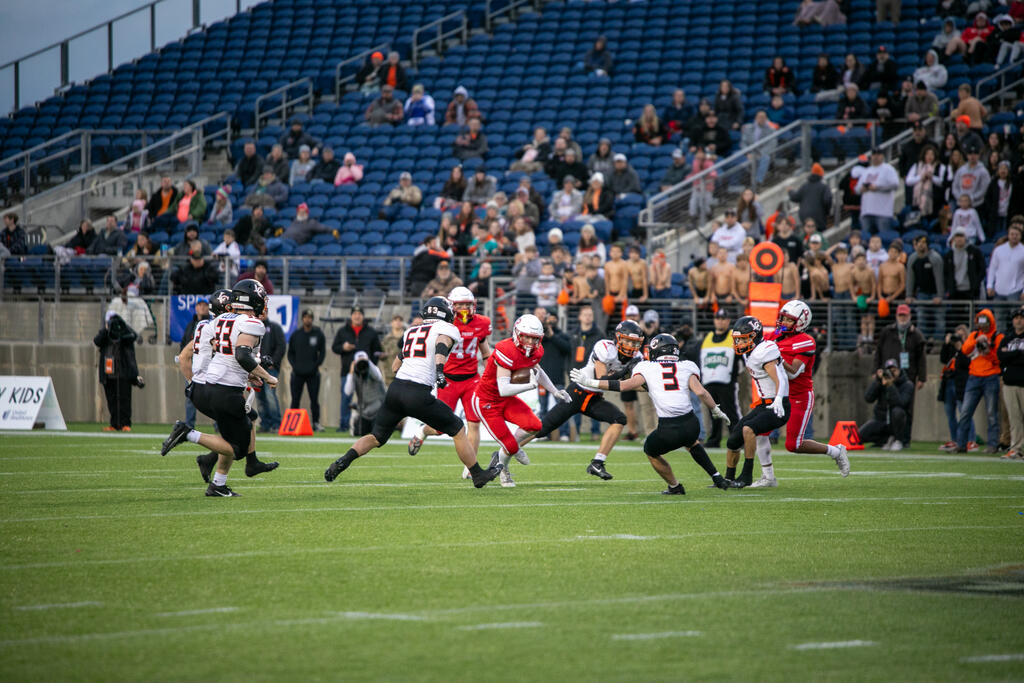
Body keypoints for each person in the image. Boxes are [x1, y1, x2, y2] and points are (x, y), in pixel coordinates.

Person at [323, 298, 501, 488]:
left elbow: (395, 366)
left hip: (396, 390)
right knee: (458, 428)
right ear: (445, 313)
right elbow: (442, 343)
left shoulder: (411, 331)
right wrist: (439, 370)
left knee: (376, 437)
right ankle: (477, 475)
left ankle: (343, 461)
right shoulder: (446, 329)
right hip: (417, 393)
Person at [571, 333, 733, 494]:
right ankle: (717, 477)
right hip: (691, 423)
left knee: (650, 450)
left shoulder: (647, 367)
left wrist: (590, 382)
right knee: (692, 443)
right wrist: (716, 410)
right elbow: (701, 392)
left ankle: (675, 486)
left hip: (669, 427)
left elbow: (625, 386)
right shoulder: (687, 366)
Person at [161, 279, 279, 496]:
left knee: (241, 426)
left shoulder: (218, 320)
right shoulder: (250, 323)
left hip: (207, 388)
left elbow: (225, 354)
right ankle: (188, 434)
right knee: (237, 448)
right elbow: (241, 355)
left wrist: (251, 374)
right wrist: (268, 376)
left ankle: (218, 483)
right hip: (223, 390)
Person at [485, 317, 629, 487]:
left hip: (594, 398)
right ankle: (503, 452)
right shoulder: (605, 348)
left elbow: (634, 384)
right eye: (628, 341)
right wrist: (624, 372)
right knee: (541, 428)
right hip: (578, 393)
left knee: (619, 419)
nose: (631, 346)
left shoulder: (637, 357)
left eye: (635, 343)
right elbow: (602, 378)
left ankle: (597, 463)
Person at [408, 286, 492, 454]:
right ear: (452, 306)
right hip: (448, 379)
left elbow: (485, 352)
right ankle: (423, 430)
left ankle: (470, 466)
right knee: (440, 428)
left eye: (468, 304)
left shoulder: (482, 323)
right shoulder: (444, 323)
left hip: (471, 379)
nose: (465, 308)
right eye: (460, 305)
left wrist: (490, 375)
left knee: (474, 423)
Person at [723, 316, 791, 487]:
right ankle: (728, 479)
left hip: (778, 405)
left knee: (749, 429)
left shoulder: (763, 352)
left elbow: (780, 380)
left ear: (754, 337)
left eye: (743, 339)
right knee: (733, 440)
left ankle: (746, 476)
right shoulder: (751, 352)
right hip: (763, 404)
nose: (739, 343)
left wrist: (778, 399)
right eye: (737, 339)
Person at [956, 309, 1005, 454]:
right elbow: (965, 350)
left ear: (991, 322)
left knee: (991, 413)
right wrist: (976, 341)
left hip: (991, 377)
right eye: (980, 321)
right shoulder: (974, 335)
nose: (982, 325)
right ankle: (961, 444)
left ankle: (993, 445)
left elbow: (1000, 359)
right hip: (974, 377)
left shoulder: (998, 337)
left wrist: (988, 351)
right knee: (965, 412)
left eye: (985, 321)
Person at [331, 306, 382, 434]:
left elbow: (377, 351)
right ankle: (344, 424)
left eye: (359, 313)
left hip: (367, 374)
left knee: (370, 399)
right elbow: (334, 347)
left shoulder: (371, 332)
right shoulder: (343, 331)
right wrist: (343, 347)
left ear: (363, 316)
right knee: (346, 397)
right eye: (355, 313)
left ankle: (370, 424)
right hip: (348, 370)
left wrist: (371, 366)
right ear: (351, 316)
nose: (357, 316)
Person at [699, 309, 742, 449]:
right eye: (718, 318)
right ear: (714, 320)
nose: (720, 321)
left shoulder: (733, 337)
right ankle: (714, 440)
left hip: (727, 383)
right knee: (713, 413)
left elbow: (743, 357)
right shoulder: (708, 337)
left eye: (723, 318)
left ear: (728, 321)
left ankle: (737, 439)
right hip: (709, 383)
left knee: (731, 411)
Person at [94, 312, 143, 432]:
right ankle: (114, 424)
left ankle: (126, 424)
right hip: (108, 373)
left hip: (123, 372)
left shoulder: (124, 329)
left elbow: (134, 336)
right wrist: (106, 329)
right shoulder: (105, 333)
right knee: (111, 400)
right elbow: (97, 341)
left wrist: (122, 327)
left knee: (124, 400)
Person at [859, 359, 915, 450]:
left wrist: (890, 386)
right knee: (859, 436)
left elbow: (901, 403)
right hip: (881, 419)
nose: (892, 374)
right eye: (889, 371)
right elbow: (868, 398)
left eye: (894, 371)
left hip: (897, 424)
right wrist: (878, 381)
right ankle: (884, 440)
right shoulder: (881, 383)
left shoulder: (907, 385)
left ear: (899, 370)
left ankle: (898, 440)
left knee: (897, 412)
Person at [288, 309, 326, 431]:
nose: (307, 319)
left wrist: (316, 365)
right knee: (295, 399)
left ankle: (316, 422)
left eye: (310, 317)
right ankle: (292, 424)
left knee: (314, 399)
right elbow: (290, 353)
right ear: (302, 319)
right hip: (297, 373)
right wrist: (295, 366)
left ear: (312, 319)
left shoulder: (318, 334)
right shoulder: (296, 335)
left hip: (313, 373)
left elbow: (322, 352)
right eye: (305, 317)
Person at [906, 234, 945, 339]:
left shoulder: (935, 258)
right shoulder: (912, 258)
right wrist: (909, 295)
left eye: (923, 243)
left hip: (935, 293)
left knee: (939, 320)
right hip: (922, 293)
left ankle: (938, 342)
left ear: (927, 244)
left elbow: (939, 278)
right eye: (918, 243)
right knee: (922, 318)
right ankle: (922, 341)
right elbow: (910, 278)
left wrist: (940, 295)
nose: (921, 245)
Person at [997, 308, 1024, 459]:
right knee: (1014, 419)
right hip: (1009, 383)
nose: (1018, 320)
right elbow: (1001, 356)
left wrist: (1011, 356)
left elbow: (1007, 357)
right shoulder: (1007, 338)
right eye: (1016, 318)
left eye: (1021, 318)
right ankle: (1016, 448)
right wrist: (1018, 354)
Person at [855, 149, 899, 234]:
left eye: (878, 154)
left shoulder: (888, 169)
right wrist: (862, 189)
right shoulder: (867, 171)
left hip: (883, 213)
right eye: (874, 154)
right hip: (867, 211)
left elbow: (895, 185)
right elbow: (856, 189)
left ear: (882, 156)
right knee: (866, 238)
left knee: (884, 237)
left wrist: (877, 187)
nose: (876, 157)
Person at [345, 351, 387, 436]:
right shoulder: (354, 374)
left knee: (378, 434)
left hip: (378, 410)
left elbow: (378, 377)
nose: (362, 364)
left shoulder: (374, 369)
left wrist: (368, 362)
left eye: (363, 361)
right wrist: (351, 373)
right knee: (358, 433)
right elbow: (348, 392)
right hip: (364, 412)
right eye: (359, 362)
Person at [255, 316, 285, 433]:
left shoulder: (274, 327)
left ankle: (276, 424)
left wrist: (273, 362)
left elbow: (281, 346)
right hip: (255, 368)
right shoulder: (252, 327)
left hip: (270, 369)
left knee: (270, 395)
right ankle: (265, 423)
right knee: (259, 397)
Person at [787, 163, 832, 232]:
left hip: (804, 217)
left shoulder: (805, 186)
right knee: (819, 235)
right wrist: (827, 212)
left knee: (807, 234)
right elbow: (827, 200)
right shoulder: (824, 187)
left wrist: (790, 191)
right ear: (821, 175)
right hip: (819, 217)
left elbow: (795, 197)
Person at [988, 220, 1024, 301]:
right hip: (998, 290)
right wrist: (989, 285)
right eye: (1012, 234)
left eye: (1017, 234)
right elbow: (992, 269)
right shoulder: (999, 250)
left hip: (1016, 290)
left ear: (1020, 236)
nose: (1014, 236)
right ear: (1008, 235)